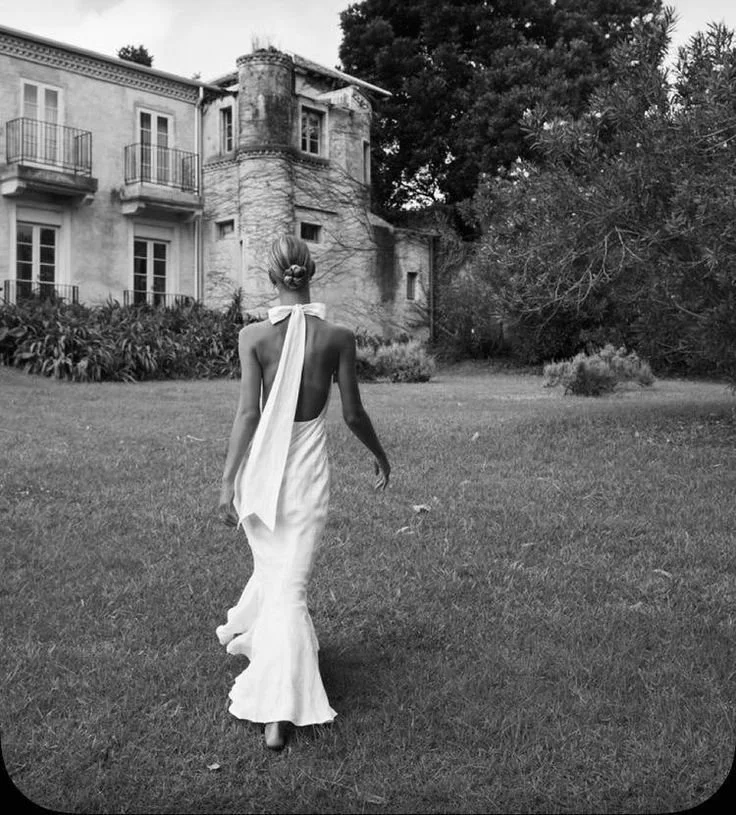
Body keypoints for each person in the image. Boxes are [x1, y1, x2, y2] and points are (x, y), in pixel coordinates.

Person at [217, 234, 391, 751]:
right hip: (308, 477)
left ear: (273, 278)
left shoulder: (253, 336)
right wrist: (380, 455)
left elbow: (248, 414)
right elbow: (353, 414)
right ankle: (277, 711)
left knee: (281, 578)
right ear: (309, 274)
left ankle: (273, 650)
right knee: (289, 586)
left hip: (261, 478)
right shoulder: (338, 336)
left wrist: (228, 482)